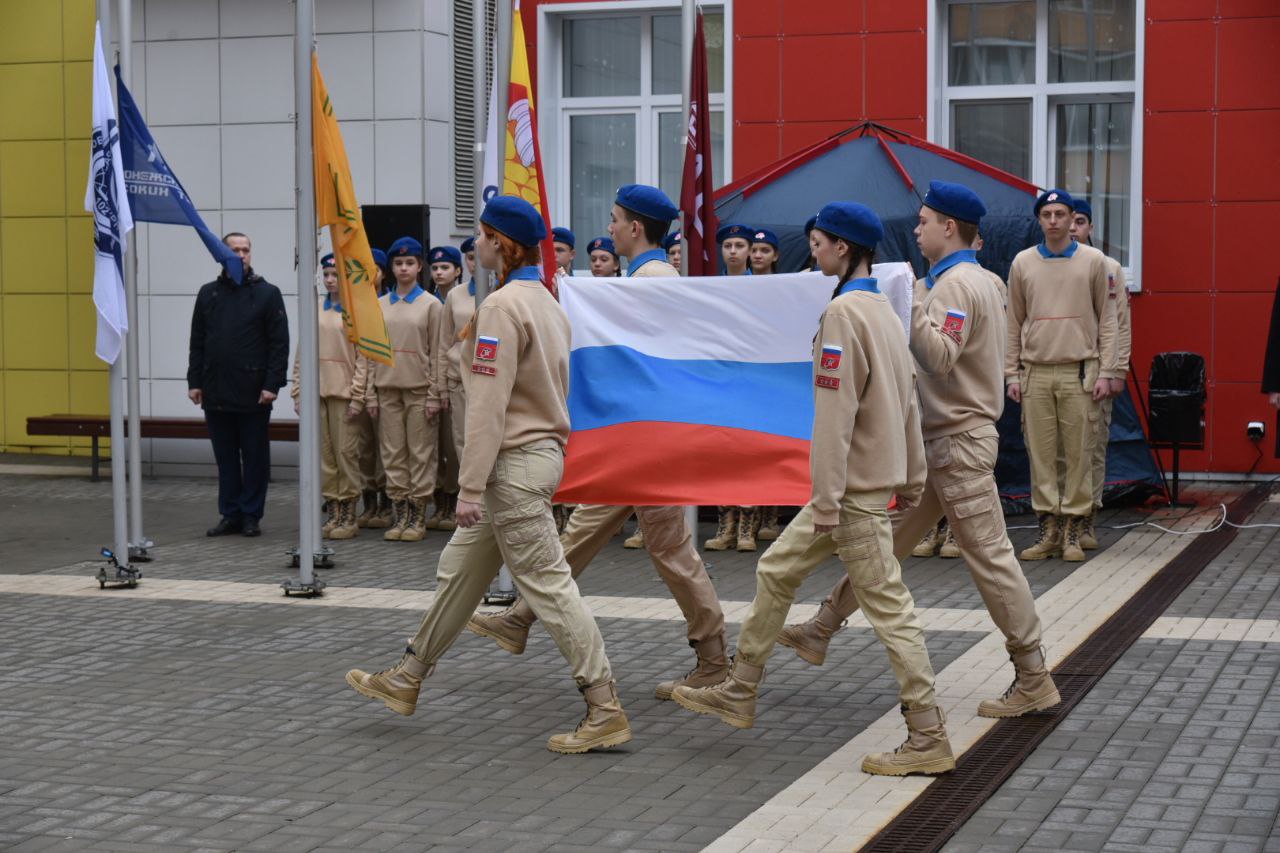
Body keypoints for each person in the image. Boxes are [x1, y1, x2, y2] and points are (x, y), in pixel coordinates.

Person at [671, 201, 954, 777]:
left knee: (889, 609)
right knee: (776, 571)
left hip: (850, 491)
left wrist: (825, 497)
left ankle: (928, 734)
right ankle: (740, 688)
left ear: (843, 249)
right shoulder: (881, 308)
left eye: (819, 243)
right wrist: (913, 474)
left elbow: (834, 415)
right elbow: (906, 400)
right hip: (864, 485)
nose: (813, 252)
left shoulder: (844, 316)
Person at [346, 195, 631, 754]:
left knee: (549, 587)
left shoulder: (501, 308)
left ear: (500, 243)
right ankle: (408, 675)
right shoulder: (547, 300)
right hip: (531, 459)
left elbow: (488, 405)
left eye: (480, 235)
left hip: (512, 466)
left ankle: (605, 707)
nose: (473, 245)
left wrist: (470, 487)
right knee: (460, 571)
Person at [777, 182, 1060, 721]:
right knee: (883, 545)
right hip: (940, 445)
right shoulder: (977, 279)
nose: (916, 230)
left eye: (924, 221)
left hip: (957, 441)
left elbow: (939, 358)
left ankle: (1033, 675)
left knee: (991, 560)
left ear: (948, 227)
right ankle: (822, 627)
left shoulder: (957, 286)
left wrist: (904, 306)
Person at [467, 185, 730, 702]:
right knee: (589, 523)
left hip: (650, 438)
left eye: (614, 220)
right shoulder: (639, 278)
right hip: (637, 436)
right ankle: (521, 617)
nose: (608, 228)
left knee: (671, 549)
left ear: (635, 228)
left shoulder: (654, 279)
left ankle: (715, 657)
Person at [1006, 190, 1119, 563]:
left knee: (1078, 454)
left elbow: (1108, 321)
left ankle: (1074, 529)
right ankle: (1048, 529)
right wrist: (1011, 373)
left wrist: (1108, 370)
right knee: (1040, 455)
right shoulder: (1022, 263)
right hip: (1035, 371)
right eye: (1046, 214)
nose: (1053, 221)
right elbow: (1013, 322)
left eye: (1060, 214)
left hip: (1080, 371)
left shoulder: (1094, 262)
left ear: (1073, 219)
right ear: (1039, 220)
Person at [188, 232, 289, 538]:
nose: (242, 255)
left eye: (246, 250)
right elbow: (198, 342)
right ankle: (229, 512)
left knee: (255, 456)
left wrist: (273, 384)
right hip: (216, 389)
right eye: (235, 250)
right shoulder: (209, 294)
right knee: (226, 457)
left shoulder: (267, 293)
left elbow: (278, 344)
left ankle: (250, 515)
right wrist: (195, 381)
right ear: (223, 254)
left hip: (253, 391)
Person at [358, 236, 441, 542]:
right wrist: (369, 393)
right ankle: (400, 512)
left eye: (410, 263)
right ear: (391, 268)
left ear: (420, 267)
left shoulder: (431, 305)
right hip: (387, 389)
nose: (404, 268)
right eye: (398, 263)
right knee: (392, 454)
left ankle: (418, 515)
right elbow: (370, 353)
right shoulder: (379, 306)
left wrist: (436, 393)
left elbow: (438, 352)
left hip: (420, 390)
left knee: (420, 453)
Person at [1069, 198, 1131, 549]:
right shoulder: (1047, 264)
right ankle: (1060, 520)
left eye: (1080, 221)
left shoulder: (1108, 267)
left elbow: (1120, 323)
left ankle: (1087, 517)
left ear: (1090, 227)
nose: (1073, 227)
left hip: (1095, 372)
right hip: (1059, 370)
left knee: (1092, 449)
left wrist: (1116, 369)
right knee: (1059, 452)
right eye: (1068, 220)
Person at [290, 253, 363, 540]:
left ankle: (348, 511)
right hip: (317, 393)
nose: (331, 280)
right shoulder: (316, 308)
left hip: (343, 394)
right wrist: (298, 390)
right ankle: (333, 508)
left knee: (346, 454)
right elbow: (302, 353)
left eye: (336, 274)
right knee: (326, 456)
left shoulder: (355, 312)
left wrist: (358, 395)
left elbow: (363, 359)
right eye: (327, 274)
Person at [425, 246, 466, 531]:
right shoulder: (453, 298)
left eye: (445, 268)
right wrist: (440, 387)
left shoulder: (498, 292)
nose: (439, 272)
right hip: (453, 381)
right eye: (435, 268)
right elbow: (442, 346)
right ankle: (447, 502)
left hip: (483, 380)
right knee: (448, 446)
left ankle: (463, 501)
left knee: (468, 447)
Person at [353, 247, 394, 530]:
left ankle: (387, 503)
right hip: (359, 385)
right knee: (363, 448)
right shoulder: (354, 306)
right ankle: (368, 502)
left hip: (385, 383)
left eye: (375, 270)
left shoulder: (389, 305)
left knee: (388, 449)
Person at [748, 227, 783, 545]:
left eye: (764, 251)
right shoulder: (738, 286)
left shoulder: (787, 287)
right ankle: (741, 521)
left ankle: (769, 515)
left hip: (773, 374)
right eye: (754, 250)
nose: (757, 256)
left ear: (775, 256)